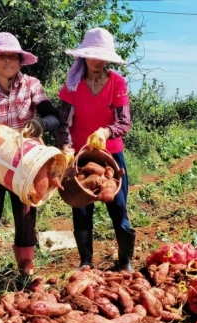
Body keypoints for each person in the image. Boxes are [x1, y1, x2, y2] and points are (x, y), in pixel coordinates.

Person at [0, 32, 60, 287]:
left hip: (27, 165)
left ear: (20, 61)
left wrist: (40, 124)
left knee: (26, 215)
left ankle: (26, 268)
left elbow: (54, 117)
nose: (7, 61)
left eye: (13, 57)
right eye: (2, 56)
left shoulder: (31, 86)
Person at [56, 27, 135, 273]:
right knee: (80, 207)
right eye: (93, 55)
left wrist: (105, 131)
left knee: (118, 205)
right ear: (84, 56)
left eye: (102, 56)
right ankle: (86, 262)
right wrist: (66, 147)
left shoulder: (117, 83)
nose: (97, 61)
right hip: (80, 156)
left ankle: (125, 262)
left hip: (111, 156)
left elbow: (124, 122)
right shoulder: (72, 85)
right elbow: (63, 122)